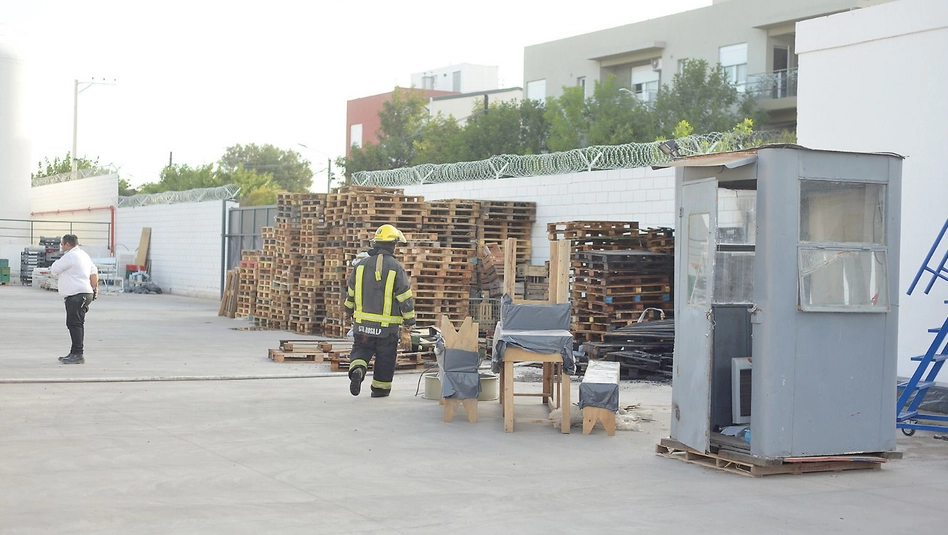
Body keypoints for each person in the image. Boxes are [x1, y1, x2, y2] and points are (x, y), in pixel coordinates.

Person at [343, 224, 416, 397]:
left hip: (362, 326)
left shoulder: (360, 266)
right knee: (385, 358)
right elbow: (404, 298)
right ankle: (379, 390)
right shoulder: (396, 268)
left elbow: (351, 293)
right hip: (387, 330)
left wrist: (348, 312)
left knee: (361, 351)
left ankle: (358, 371)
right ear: (393, 244)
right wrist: (409, 323)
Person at [49, 234, 98, 365]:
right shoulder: (84, 255)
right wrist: (94, 288)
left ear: (67, 244)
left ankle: (77, 354)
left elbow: (54, 269)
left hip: (76, 295)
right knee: (77, 324)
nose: (61, 247)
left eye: (62, 244)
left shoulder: (70, 256)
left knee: (74, 324)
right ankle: (74, 352)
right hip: (85, 293)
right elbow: (94, 272)